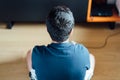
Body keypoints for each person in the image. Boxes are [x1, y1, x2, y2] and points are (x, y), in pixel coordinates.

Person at [26, 6, 95, 80]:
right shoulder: (82, 51)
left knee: (30, 53)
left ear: (47, 29)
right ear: (71, 31)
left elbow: (31, 55)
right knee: (91, 57)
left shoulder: (37, 53)